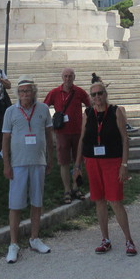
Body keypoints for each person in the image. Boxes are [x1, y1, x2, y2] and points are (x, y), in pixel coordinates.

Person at [73, 77, 137, 255]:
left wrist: (124, 164)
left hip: (112, 161)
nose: (97, 97)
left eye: (100, 93)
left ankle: (129, 240)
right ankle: (105, 239)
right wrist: (77, 165)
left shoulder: (116, 111)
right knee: (99, 200)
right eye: (93, 95)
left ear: (105, 94)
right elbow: (82, 138)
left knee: (115, 201)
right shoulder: (88, 113)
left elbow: (125, 139)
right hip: (92, 161)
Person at [2, 75, 54, 263]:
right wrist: (6, 164)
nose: (25, 94)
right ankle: (13, 243)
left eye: (28, 91)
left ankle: (34, 238)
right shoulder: (10, 111)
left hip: (38, 162)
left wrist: (50, 158)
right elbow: (5, 139)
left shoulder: (43, 109)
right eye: (22, 91)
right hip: (18, 163)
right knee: (15, 204)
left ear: (34, 92)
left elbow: (49, 136)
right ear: (18, 93)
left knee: (37, 201)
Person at [44, 68, 91, 204]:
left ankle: (76, 187)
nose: (68, 78)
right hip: (62, 133)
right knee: (64, 162)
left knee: (78, 161)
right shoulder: (55, 92)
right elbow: (44, 107)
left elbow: (90, 105)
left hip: (78, 132)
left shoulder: (79, 92)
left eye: (70, 76)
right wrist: (49, 124)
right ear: (62, 77)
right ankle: (67, 189)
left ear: (74, 77)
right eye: (65, 76)